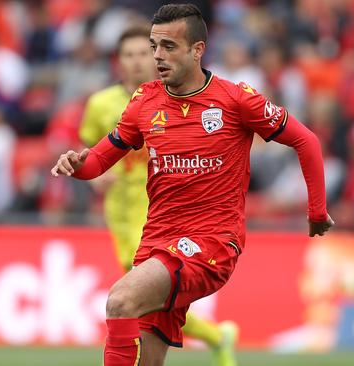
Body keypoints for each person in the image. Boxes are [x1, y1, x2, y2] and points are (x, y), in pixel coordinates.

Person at [51, 4, 334, 365]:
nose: (157, 56)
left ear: (197, 50)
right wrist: (77, 165)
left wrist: (317, 211)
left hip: (210, 243)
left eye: (168, 47)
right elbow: (100, 161)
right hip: (155, 242)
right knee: (148, 360)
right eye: (155, 46)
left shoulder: (235, 99)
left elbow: (306, 140)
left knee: (120, 300)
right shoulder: (144, 102)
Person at [79, 25, 239, 365]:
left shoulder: (176, 101)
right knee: (141, 303)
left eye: (143, 53)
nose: (139, 61)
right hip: (120, 213)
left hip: (158, 214)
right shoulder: (100, 104)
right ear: (118, 61)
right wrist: (92, 177)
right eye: (130, 54)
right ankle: (216, 337)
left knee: (130, 297)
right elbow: (93, 154)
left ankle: (215, 336)